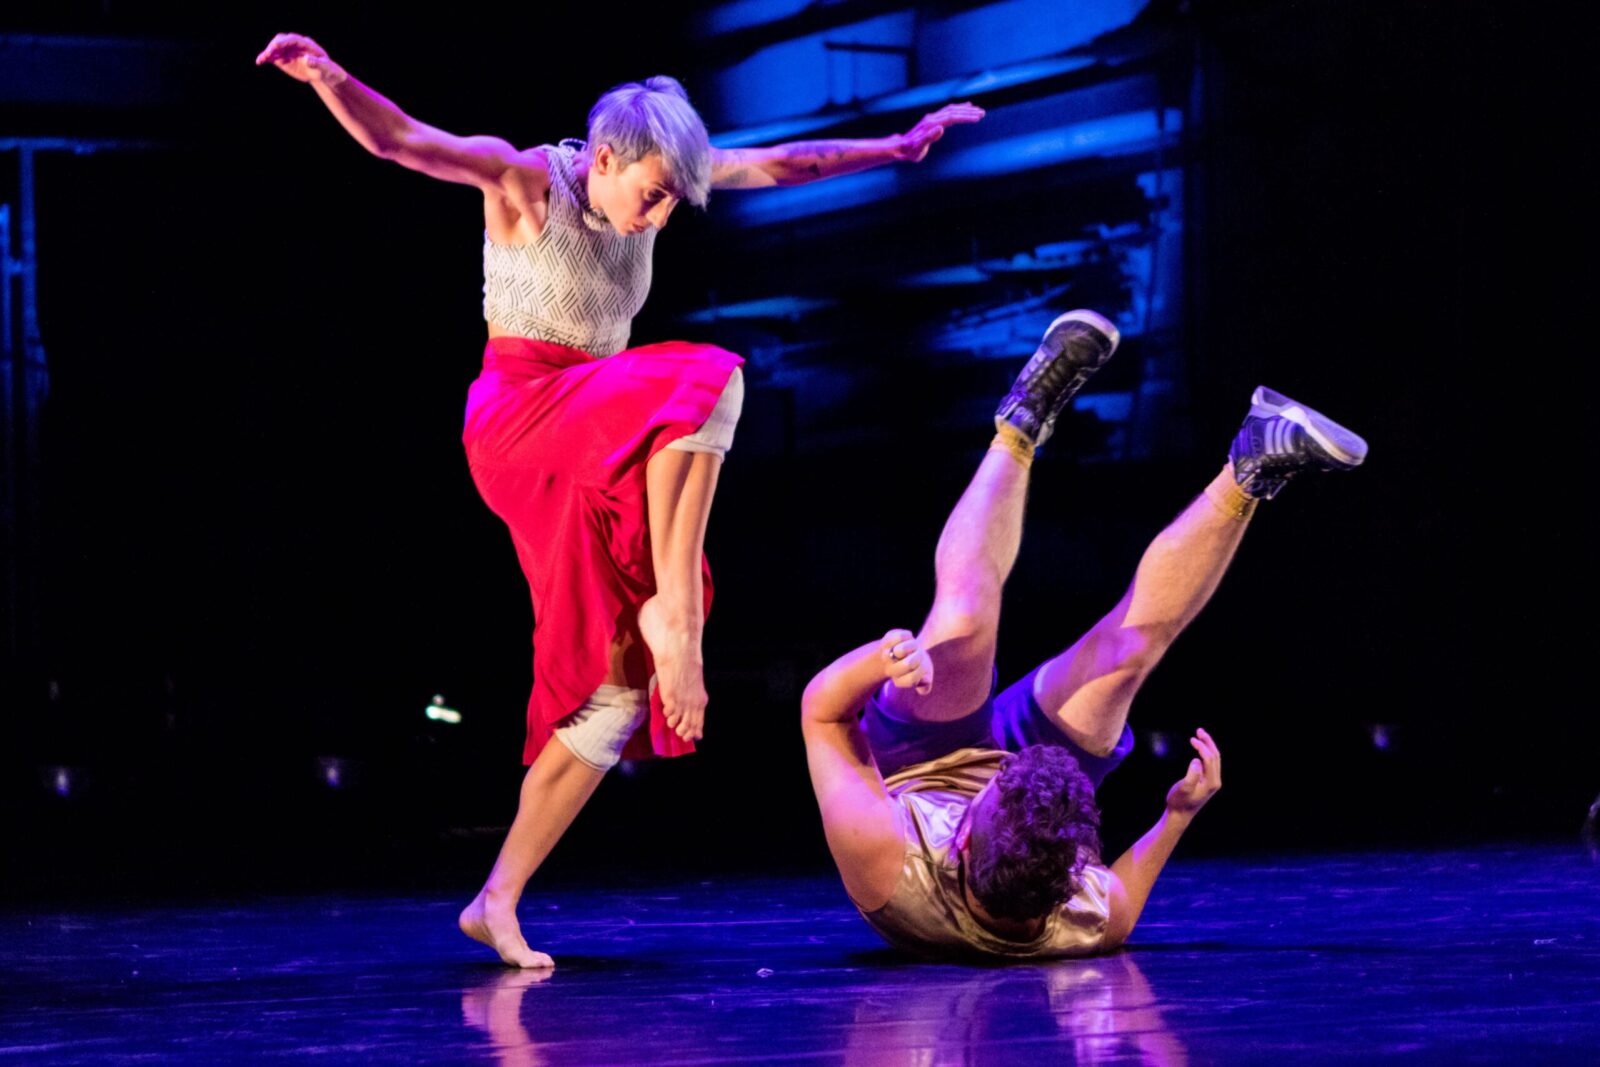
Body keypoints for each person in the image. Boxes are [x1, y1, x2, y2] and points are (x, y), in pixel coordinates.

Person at [255, 32, 983, 968]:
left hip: (604, 436)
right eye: (650, 193)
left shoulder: (661, 177)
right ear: (601, 158)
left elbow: (787, 161)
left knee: (610, 690)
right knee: (710, 377)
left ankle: (497, 898)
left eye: (676, 200)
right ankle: (678, 611)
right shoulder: (522, 183)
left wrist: (897, 148)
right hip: (521, 419)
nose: (659, 216)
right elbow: (403, 141)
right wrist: (327, 75)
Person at [800, 310, 1368, 959]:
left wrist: (882, 660)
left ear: (960, 836)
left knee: (962, 619)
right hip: (1014, 820)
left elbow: (822, 715)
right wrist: (1177, 814)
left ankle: (1020, 421)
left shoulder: (885, 857)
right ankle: (1254, 464)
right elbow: (1123, 904)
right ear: (1072, 869)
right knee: (1128, 657)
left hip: (914, 765)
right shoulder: (1079, 911)